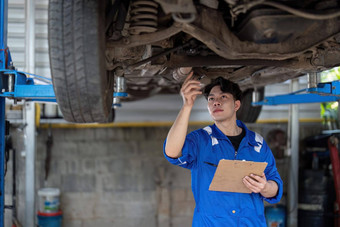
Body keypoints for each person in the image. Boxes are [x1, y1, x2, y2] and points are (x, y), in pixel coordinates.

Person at [163, 73, 283, 226]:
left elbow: (275, 187)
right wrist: (186, 106)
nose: (216, 102)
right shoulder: (201, 139)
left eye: (223, 97)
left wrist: (265, 187)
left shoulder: (257, 144)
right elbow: (171, 152)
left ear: (237, 105)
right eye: (211, 99)